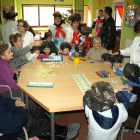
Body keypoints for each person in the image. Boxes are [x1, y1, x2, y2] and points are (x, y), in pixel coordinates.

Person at [0, 96, 80, 140]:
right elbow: (12, 126)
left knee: (41, 113)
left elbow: (3, 100)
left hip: (12, 115)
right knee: (46, 124)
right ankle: (64, 134)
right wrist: (20, 109)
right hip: (14, 129)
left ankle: (55, 131)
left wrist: (13, 102)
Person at [0, 43, 41, 109]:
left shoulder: (4, 62)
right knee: (30, 94)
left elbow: (7, 72)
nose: (12, 53)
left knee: (29, 90)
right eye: (9, 52)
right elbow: (12, 84)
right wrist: (24, 89)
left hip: (9, 87)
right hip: (7, 91)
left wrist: (14, 71)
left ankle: (34, 108)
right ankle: (31, 113)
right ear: (2, 55)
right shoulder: (2, 66)